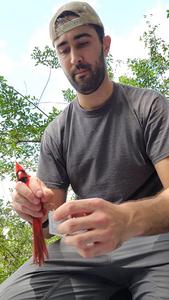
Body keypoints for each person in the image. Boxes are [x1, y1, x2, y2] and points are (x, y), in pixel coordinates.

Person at [1, 1, 169, 299]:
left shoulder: (148, 106)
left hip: (156, 242)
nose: (75, 57)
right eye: (64, 49)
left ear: (105, 45)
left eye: (83, 43)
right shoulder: (57, 132)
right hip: (84, 252)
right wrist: (34, 208)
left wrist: (125, 220)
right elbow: (53, 220)